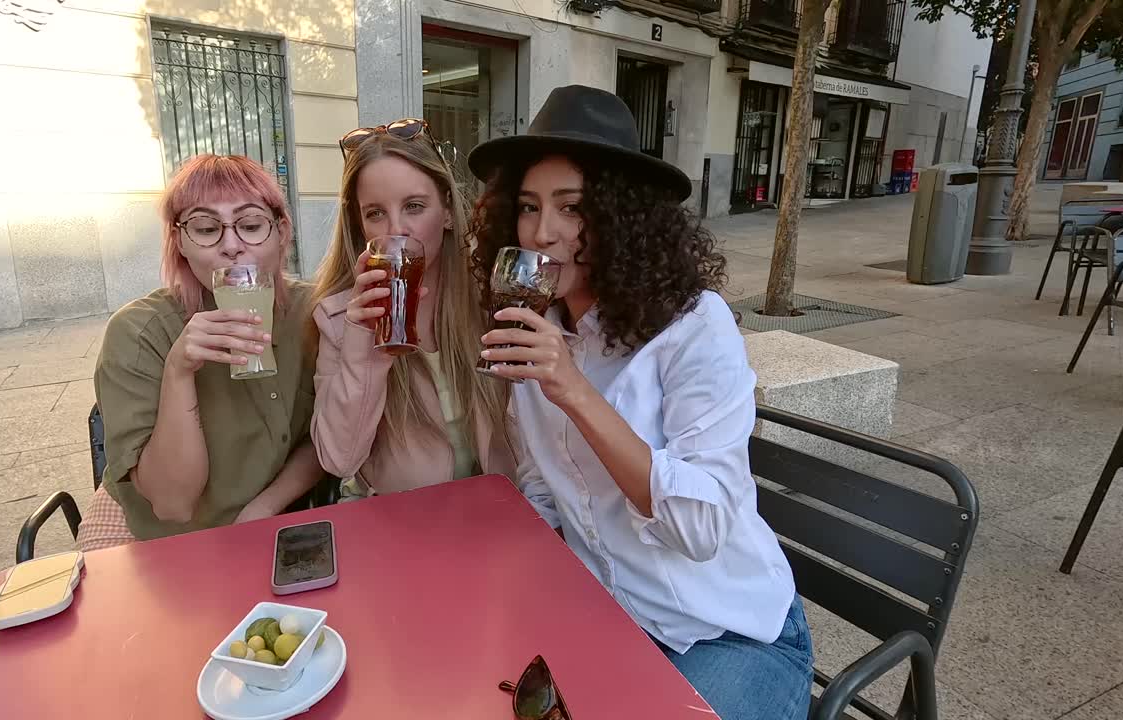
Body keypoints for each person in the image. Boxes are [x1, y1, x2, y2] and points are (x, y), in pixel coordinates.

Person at [467, 86, 813, 719]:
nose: (543, 232)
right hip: (613, 615)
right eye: (528, 207)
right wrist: (518, 570)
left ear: (621, 219)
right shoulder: (542, 329)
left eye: (572, 208)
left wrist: (573, 390)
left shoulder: (693, 326)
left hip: (727, 630)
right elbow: (545, 483)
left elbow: (702, 527)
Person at [76, 154, 322, 550]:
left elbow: (322, 436)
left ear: (281, 233)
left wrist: (264, 508)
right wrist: (179, 371)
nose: (231, 246)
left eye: (251, 225)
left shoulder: (313, 312)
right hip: (169, 538)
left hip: (278, 516)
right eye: (206, 228)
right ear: (180, 243)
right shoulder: (138, 333)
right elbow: (173, 505)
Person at [310, 119, 513, 499]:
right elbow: (339, 461)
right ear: (360, 227)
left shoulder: (489, 301)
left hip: (493, 514)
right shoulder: (340, 318)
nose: (396, 229)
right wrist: (365, 359)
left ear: (449, 212)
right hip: (397, 522)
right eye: (375, 213)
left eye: (414, 206)